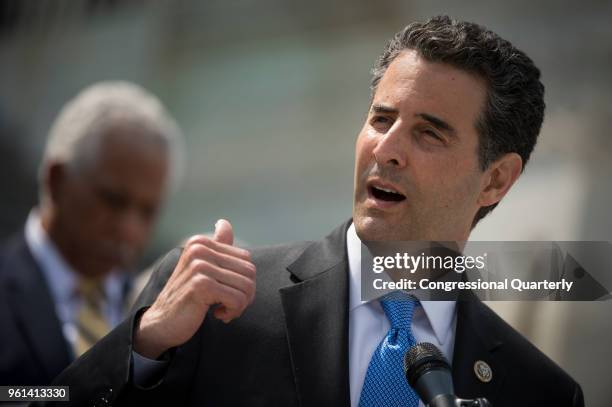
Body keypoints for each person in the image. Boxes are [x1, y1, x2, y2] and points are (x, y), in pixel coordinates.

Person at [44, 17, 583, 406]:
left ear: (494, 179)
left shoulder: (540, 391)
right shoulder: (209, 304)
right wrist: (146, 345)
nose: (386, 148)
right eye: (380, 119)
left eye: (428, 133)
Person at [0, 81, 183, 386]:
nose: (130, 229)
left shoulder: (153, 306)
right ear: (56, 180)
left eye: (147, 211)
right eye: (113, 201)